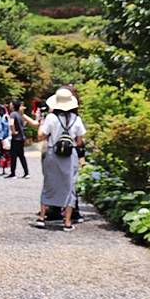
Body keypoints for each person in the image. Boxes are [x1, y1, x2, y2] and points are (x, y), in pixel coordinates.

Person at [35, 88, 86, 232]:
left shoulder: (51, 118)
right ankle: (67, 222)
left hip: (52, 153)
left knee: (49, 183)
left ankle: (42, 217)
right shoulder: (77, 119)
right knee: (70, 186)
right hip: (70, 156)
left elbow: (41, 136)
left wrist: (41, 125)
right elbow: (80, 142)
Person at [6, 100, 39, 179]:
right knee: (21, 155)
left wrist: (13, 131)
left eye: (10, 104)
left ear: (13, 106)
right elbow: (30, 123)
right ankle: (26, 172)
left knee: (13, 155)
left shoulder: (13, 114)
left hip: (16, 138)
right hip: (22, 137)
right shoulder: (20, 115)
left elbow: (11, 123)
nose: (9, 106)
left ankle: (13, 173)